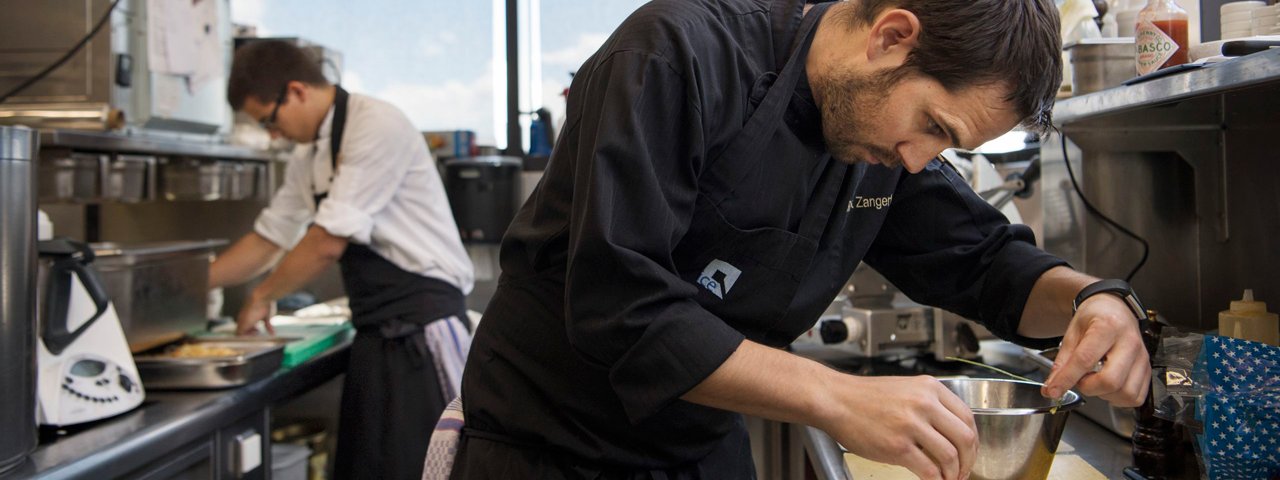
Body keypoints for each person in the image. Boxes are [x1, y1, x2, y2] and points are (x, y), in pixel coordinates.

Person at [451, 0, 1154, 479]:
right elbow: (621, 306)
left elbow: (982, 259)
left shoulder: (884, 140)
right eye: (935, 126)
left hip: (703, 445)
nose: (920, 161)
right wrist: (838, 397)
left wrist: (1096, 301)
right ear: (890, 37)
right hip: (548, 443)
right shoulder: (675, 55)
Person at [210, 40, 475, 480]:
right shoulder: (310, 154)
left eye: (269, 121)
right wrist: (188, 286)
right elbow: (269, 237)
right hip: (376, 335)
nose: (273, 135)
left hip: (421, 337)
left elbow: (326, 242)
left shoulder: (376, 124)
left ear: (296, 91)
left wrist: (262, 295)